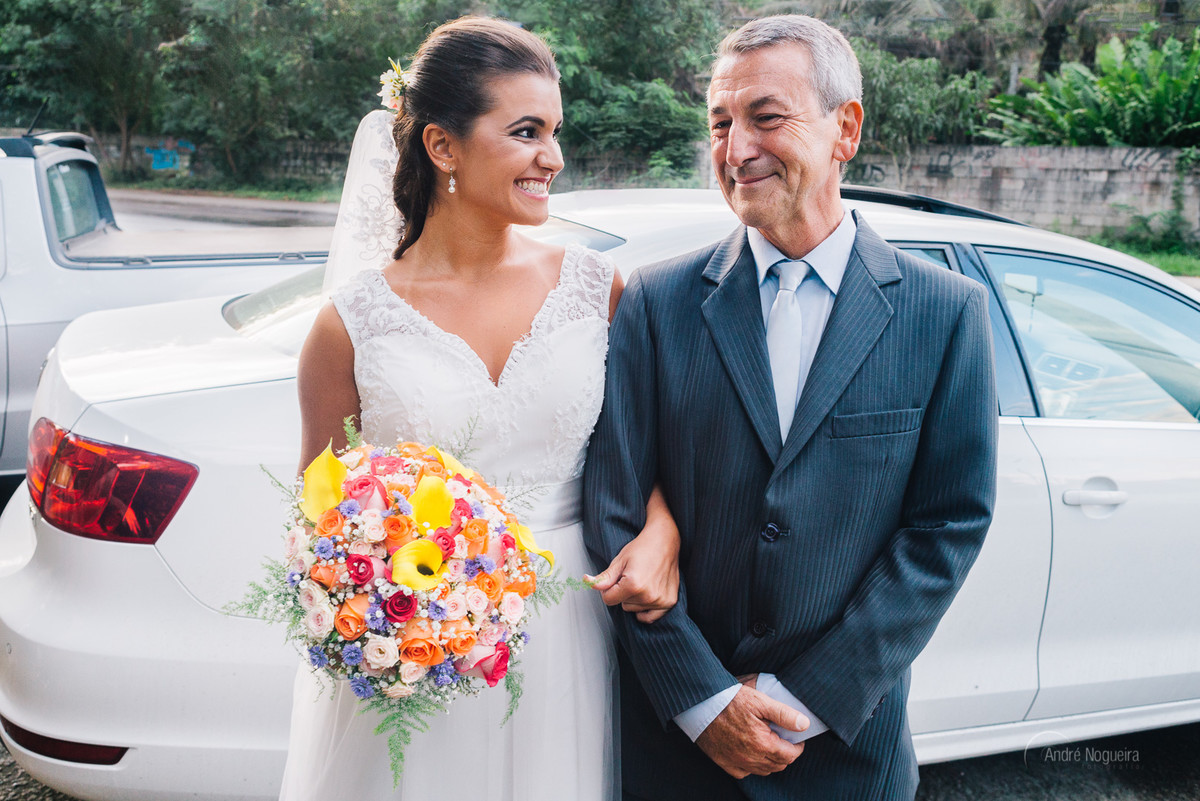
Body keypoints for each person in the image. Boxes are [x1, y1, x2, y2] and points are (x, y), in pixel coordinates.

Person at [583, 14, 998, 801]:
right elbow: (614, 509)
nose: (736, 149)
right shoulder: (655, 304)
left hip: (844, 749)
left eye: (766, 117)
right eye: (720, 122)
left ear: (845, 129)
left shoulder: (946, 313)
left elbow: (947, 524)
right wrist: (703, 703)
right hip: (677, 752)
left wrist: (810, 701)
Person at [279, 17, 679, 800]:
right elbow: (317, 512)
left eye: (556, 132)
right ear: (441, 146)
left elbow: (651, 453)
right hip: (419, 646)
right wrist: (382, 603)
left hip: (570, 624)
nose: (552, 158)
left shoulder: (597, 289)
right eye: (527, 131)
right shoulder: (349, 325)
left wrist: (661, 530)